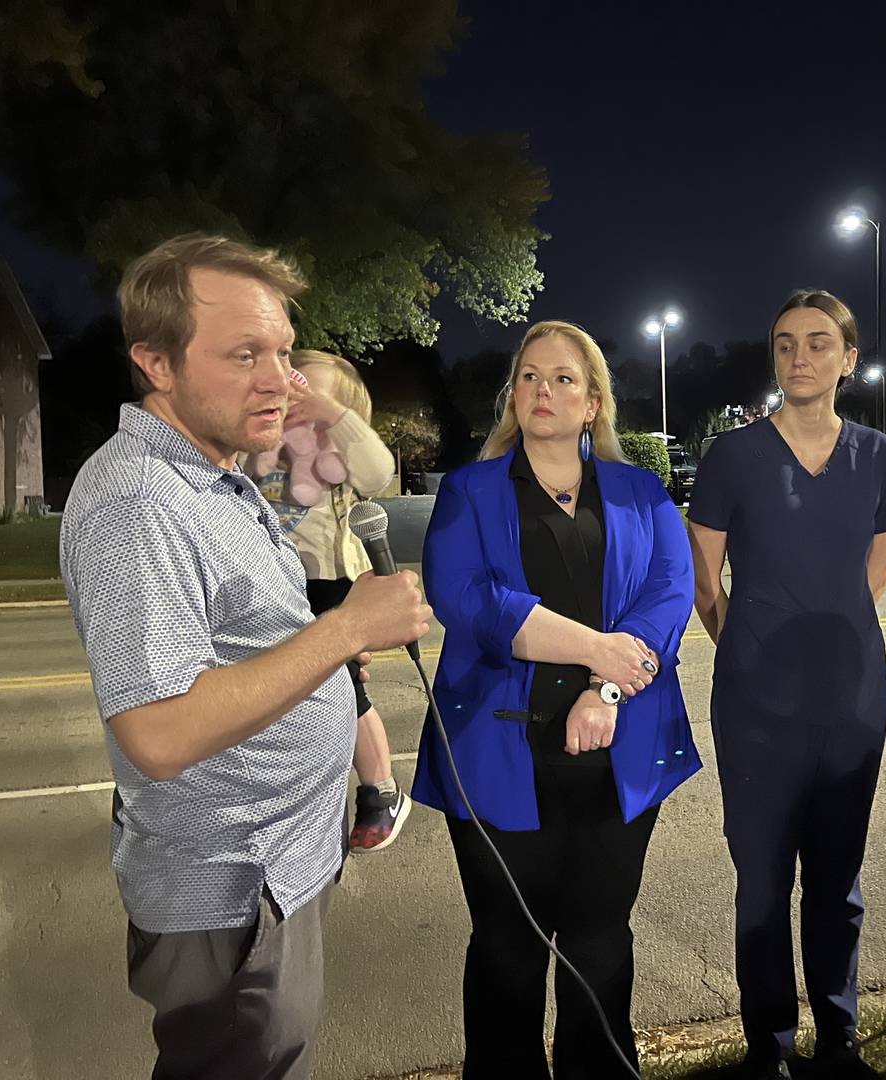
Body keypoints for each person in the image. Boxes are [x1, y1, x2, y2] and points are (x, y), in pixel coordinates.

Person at [59, 233, 432, 1079]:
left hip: (278, 863)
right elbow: (157, 731)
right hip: (234, 889)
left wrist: (314, 662)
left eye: (282, 351)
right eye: (243, 355)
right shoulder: (139, 504)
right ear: (155, 362)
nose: (279, 379)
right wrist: (339, 634)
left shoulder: (213, 470)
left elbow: (232, 641)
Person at [413, 320, 700, 1080]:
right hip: (497, 757)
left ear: (593, 401)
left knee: (602, 943)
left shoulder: (641, 492)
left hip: (620, 751)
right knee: (507, 947)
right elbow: (468, 599)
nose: (544, 391)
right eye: (531, 377)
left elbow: (669, 597)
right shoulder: (470, 493)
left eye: (564, 378)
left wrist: (606, 685)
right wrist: (594, 647)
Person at [687, 289, 886, 1080]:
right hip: (757, 709)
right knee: (762, 883)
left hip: (850, 704)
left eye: (819, 343)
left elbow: (873, 573)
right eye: (785, 344)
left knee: (837, 881)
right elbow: (704, 580)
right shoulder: (734, 456)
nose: (800, 357)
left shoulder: (878, 457)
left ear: (849, 359)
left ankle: (840, 1039)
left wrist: (828, 643)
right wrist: (749, 650)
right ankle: (769, 1047)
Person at [246, 348, 410, 852]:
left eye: (312, 392)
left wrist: (332, 415)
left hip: (334, 583)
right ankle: (297, 798)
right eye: (293, 386)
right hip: (273, 582)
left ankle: (380, 789)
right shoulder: (263, 446)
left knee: (345, 691)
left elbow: (378, 472)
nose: (300, 399)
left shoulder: (342, 454)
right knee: (283, 690)